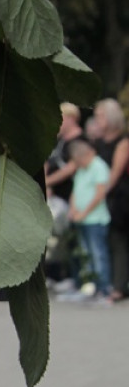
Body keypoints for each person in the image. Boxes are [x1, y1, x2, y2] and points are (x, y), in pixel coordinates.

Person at [92, 99, 129, 301]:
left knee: (118, 240)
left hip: (120, 197)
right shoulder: (98, 142)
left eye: (101, 116)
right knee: (109, 240)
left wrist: (101, 193)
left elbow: (115, 173)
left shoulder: (123, 141)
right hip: (104, 195)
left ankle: (119, 286)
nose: (97, 120)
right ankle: (112, 283)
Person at [68, 140, 112, 301]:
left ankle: (104, 288)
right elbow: (75, 191)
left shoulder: (98, 166)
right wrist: (73, 209)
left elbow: (100, 194)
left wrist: (84, 212)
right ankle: (90, 286)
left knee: (98, 254)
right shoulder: (82, 169)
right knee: (85, 254)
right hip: (82, 219)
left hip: (95, 219)